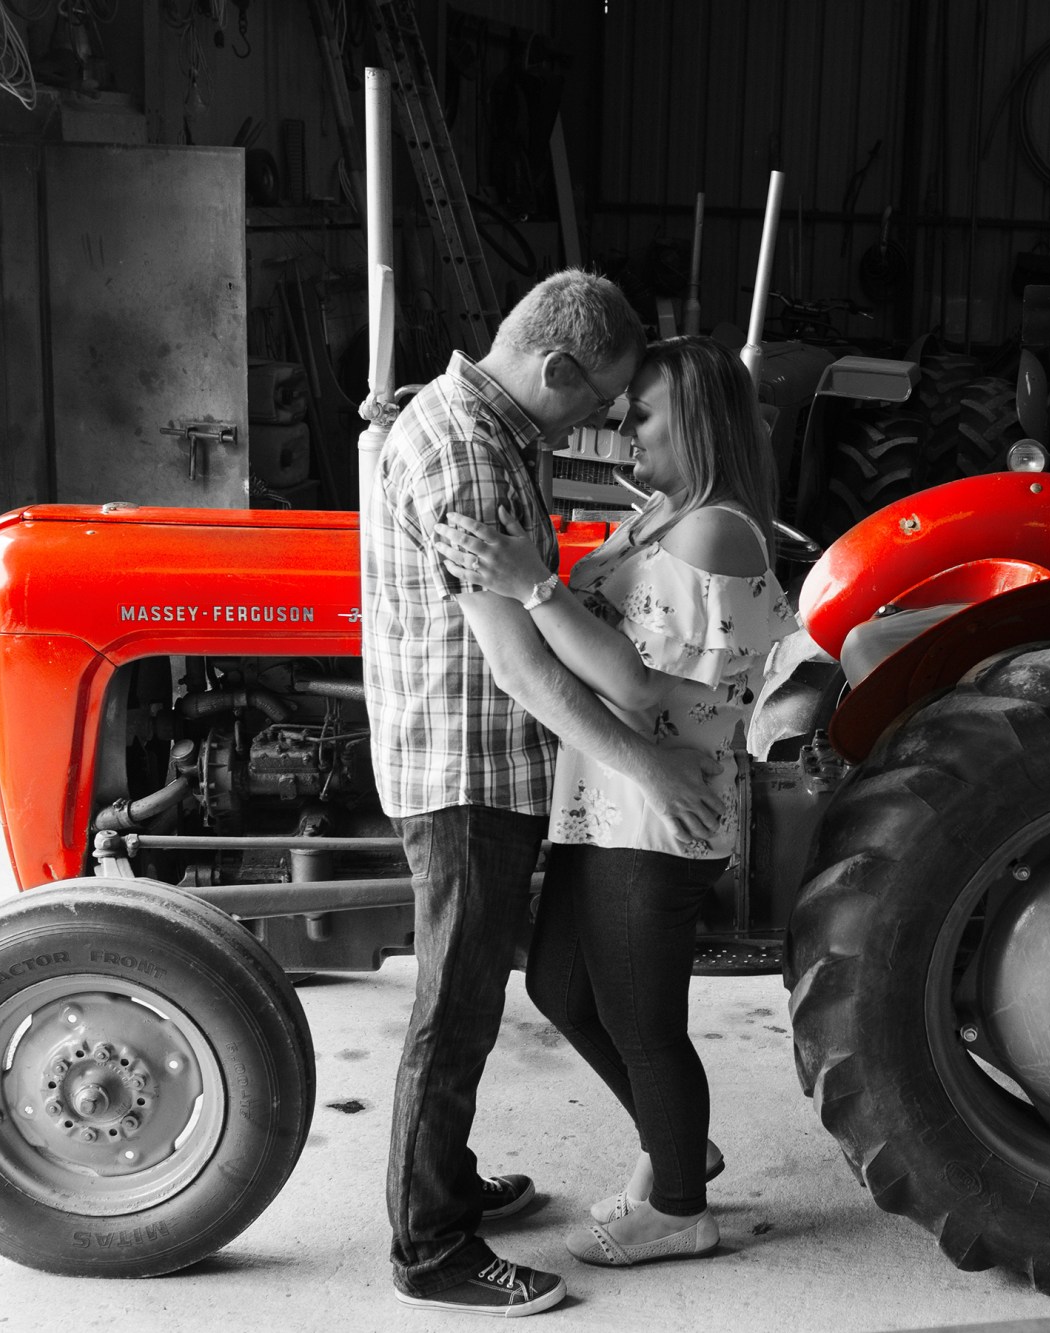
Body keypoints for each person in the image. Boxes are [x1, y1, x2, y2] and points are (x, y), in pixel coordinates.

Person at [362, 272, 723, 1317]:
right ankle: (429, 1245)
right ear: (555, 368)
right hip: (467, 773)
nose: (602, 424)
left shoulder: (488, 421)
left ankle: (450, 1182)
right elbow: (521, 668)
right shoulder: (468, 452)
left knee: (472, 995)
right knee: (456, 1008)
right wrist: (645, 761)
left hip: (490, 764)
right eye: (598, 399)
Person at [433, 335, 797, 1267]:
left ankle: (681, 1206)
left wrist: (533, 584)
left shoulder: (716, 528)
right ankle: (682, 1148)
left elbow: (634, 684)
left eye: (641, 412)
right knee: (560, 987)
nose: (620, 426)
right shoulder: (662, 517)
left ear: (700, 421)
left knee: (642, 1017)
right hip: (609, 795)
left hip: (660, 812)